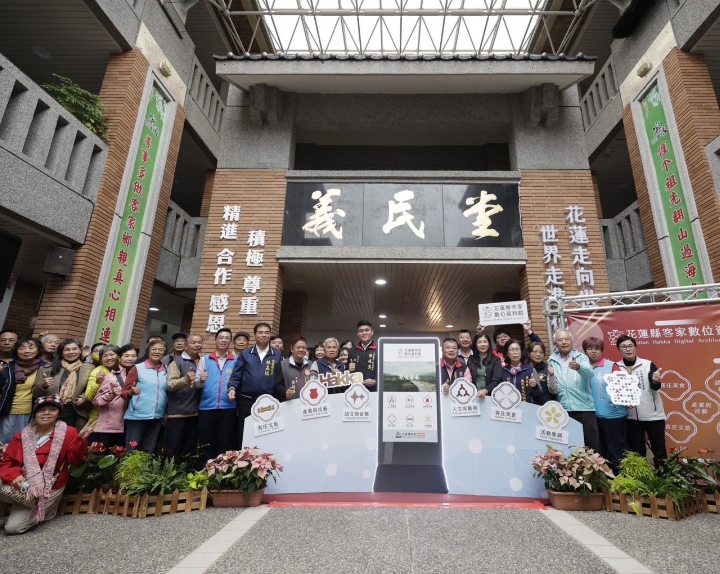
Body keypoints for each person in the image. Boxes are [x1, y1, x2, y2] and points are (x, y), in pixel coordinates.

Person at [0, 395, 93, 534]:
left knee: (13, 528)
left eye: (52, 410)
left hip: (48, 488)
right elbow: (6, 463)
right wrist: (14, 476)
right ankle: (20, 503)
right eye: (41, 410)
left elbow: (74, 460)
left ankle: (44, 505)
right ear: (35, 414)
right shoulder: (21, 436)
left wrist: (81, 441)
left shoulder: (68, 432)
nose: (46, 413)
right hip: (22, 484)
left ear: (58, 414)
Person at [228, 322, 285, 448]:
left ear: (270, 335)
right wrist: (232, 388)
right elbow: (236, 374)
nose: (263, 335)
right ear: (255, 335)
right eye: (260, 332)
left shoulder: (277, 355)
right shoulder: (246, 353)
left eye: (266, 332)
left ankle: (265, 463)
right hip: (246, 400)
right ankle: (244, 463)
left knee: (266, 434)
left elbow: (279, 378)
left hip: (268, 401)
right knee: (244, 432)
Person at [614, 334, 666, 467]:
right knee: (637, 452)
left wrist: (655, 380)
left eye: (630, 346)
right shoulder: (616, 367)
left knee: (659, 450)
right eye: (623, 347)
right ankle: (642, 482)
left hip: (653, 417)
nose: (628, 349)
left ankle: (664, 480)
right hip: (631, 419)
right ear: (619, 349)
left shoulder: (648, 364)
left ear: (635, 347)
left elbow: (655, 386)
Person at [547, 330, 599, 451]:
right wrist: (551, 376)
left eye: (567, 339)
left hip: (584, 408)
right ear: (555, 342)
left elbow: (590, 373)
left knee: (591, 445)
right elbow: (553, 390)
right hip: (564, 410)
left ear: (572, 341)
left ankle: (595, 470)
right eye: (560, 340)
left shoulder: (581, 357)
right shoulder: (551, 360)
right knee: (570, 446)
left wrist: (579, 367)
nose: (564, 342)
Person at [583, 336, 627, 474]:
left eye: (597, 349)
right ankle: (605, 482)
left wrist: (627, 400)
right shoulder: (582, 368)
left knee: (616, 452)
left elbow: (623, 388)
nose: (593, 352)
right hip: (592, 417)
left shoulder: (611, 366)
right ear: (585, 351)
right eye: (590, 349)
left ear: (602, 351)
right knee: (598, 453)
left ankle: (620, 482)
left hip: (613, 417)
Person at [195, 328, 237, 462]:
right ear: (215, 340)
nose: (224, 340)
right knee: (206, 443)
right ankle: (204, 473)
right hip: (207, 408)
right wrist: (200, 380)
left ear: (230, 341)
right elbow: (196, 384)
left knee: (224, 443)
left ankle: (220, 474)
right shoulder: (205, 359)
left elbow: (238, 381)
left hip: (228, 408)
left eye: (227, 338)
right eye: (221, 337)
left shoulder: (236, 360)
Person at [34, 339, 93, 431]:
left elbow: (92, 388)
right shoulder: (47, 369)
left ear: (80, 351)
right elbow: (35, 393)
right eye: (67, 350)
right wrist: (43, 385)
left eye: (74, 349)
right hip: (51, 411)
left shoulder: (89, 368)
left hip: (77, 412)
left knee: (72, 441)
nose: (71, 352)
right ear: (61, 353)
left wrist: (84, 397)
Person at [121, 339, 167, 451]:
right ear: (148, 351)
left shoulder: (166, 369)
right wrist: (131, 392)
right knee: (132, 449)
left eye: (160, 350)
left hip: (157, 417)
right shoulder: (137, 368)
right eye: (154, 349)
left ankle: (144, 469)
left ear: (164, 352)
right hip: (137, 416)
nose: (157, 352)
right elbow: (123, 392)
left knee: (149, 449)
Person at [164, 333, 203, 459]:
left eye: (199, 342)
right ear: (186, 346)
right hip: (178, 413)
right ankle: (167, 476)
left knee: (189, 450)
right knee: (172, 448)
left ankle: (186, 476)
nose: (197, 345)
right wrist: (185, 380)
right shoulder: (176, 362)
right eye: (193, 342)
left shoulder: (203, 361)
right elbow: (170, 384)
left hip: (195, 413)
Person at [0, 338, 44, 444]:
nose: (27, 351)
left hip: (31, 414)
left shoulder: (44, 369)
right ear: (16, 351)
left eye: (31, 347)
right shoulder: (8, 368)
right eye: (22, 348)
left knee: (24, 446)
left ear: (38, 350)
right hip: (7, 412)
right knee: (4, 444)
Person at [92, 345, 136, 448]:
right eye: (126, 356)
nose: (130, 359)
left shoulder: (139, 375)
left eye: (133, 356)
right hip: (110, 426)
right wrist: (111, 394)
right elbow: (96, 401)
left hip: (129, 423)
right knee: (102, 457)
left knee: (121, 458)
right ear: (119, 358)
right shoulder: (111, 377)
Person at [502, 339, 545, 404]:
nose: (515, 352)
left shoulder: (530, 369)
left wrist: (535, 386)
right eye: (512, 350)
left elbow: (539, 392)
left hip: (527, 407)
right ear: (507, 353)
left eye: (517, 349)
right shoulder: (503, 371)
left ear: (521, 352)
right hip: (509, 409)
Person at [84, 345, 120, 423]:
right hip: (99, 416)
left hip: (119, 417)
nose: (109, 358)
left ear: (119, 356)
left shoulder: (124, 370)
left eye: (112, 354)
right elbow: (89, 397)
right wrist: (97, 382)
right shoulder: (96, 371)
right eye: (105, 356)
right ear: (101, 359)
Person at [466, 333, 502, 398]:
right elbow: (468, 379)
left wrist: (486, 390)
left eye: (485, 342)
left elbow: (497, 380)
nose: (482, 344)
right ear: (475, 345)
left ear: (489, 344)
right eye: (479, 342)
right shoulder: (470, 360)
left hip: (491, 395)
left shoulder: (496, 360)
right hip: (473, 395)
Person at [347, 320, 378, 391]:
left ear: (372, 332)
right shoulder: (352, 350)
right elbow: (347, 373)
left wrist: (375, 381)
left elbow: (386, 371)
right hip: (357, 390)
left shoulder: (379, 349)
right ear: (357, 334)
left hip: (375, 390)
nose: (364, 333)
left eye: (367, 330)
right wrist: (349, 370)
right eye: (361, 331)